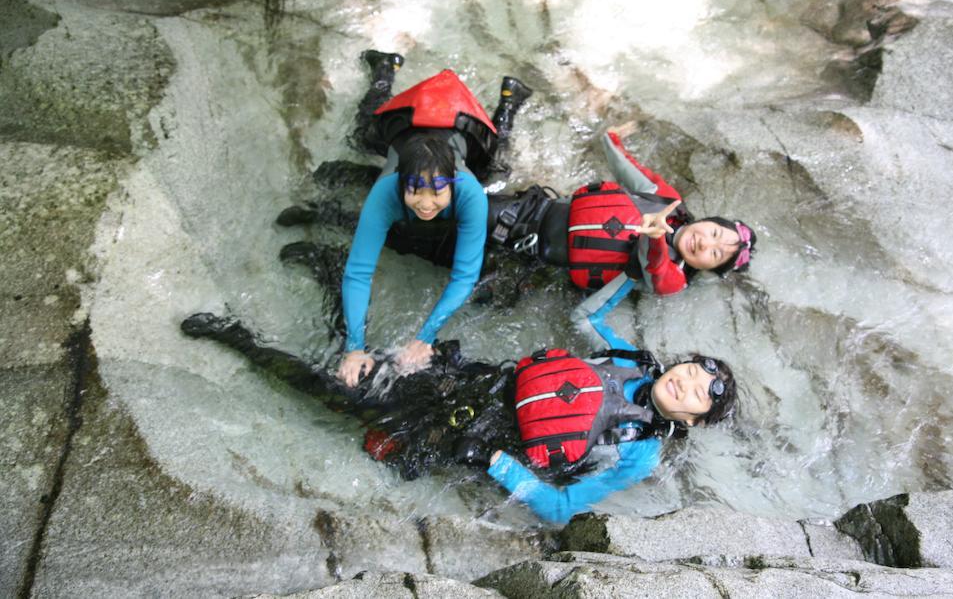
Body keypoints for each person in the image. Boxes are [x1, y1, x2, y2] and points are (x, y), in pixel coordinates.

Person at [179, 310, 738, 525]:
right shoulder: (627, 357)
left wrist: (497, 464)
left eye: (694, 395)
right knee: (364, 369)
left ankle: (242, 342)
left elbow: (563, 509)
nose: (683, 382)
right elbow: (583, 315)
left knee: (343, 403)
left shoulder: (638, 453)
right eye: (688, 370)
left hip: (478, 441)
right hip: (475, 382)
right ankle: (331, 300)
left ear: (691, 421)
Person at [335, 52, 533, 384]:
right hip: (408, 126)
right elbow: (357, 273)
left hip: (458, 123)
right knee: (361, 136)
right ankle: (384, 69)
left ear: (452, 185)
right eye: (415, 192)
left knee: (497, 166)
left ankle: (510, 101)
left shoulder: (469, 192)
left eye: (437, 193)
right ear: (400, 183)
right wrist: (354, 348)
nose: (426, 204)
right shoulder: (384, 193)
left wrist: (426, 336)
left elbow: (464, 276)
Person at [486, 124, 756, 345]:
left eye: (715, 253)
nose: (705, 242)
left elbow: (655, 265)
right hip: (532, 207)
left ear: (709, 269)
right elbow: (625, 166)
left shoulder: (674, 280)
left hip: (527, 252)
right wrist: (612, 136)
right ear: (709, 221)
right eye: (713, 232)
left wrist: (654, 236)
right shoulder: (668, 200)